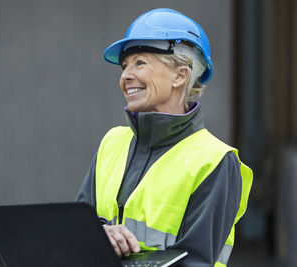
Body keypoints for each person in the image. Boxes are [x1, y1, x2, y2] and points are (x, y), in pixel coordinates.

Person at [76, 8, 253, 267]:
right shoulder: (112, 143)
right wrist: (100, 233)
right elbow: (75, 233)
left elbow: (194, 262)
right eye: (124, 66)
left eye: (140, 63)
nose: (125, 76)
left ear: (180, 76)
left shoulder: (214, 161)